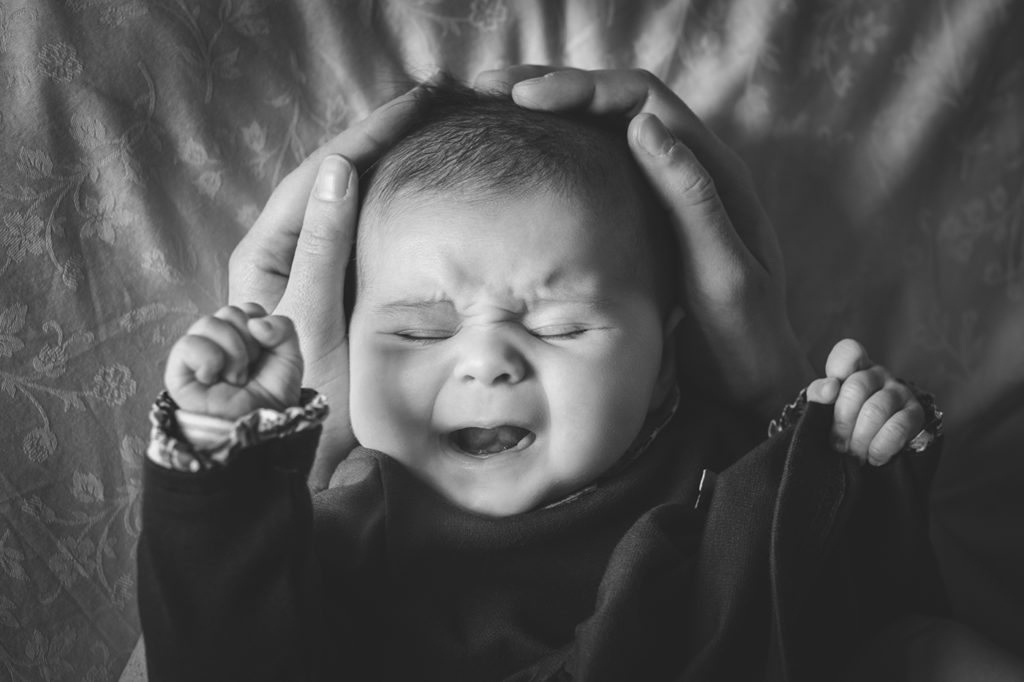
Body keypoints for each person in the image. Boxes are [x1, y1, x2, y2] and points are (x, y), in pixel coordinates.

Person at [138, 70, 951, 681]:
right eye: (419, 331)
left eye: (559, 327)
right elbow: (222, 645)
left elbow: (852, 610)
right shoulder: (348, 533)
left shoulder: (722, 466)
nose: (486, 361)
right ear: (346, 353)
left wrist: (854, 454)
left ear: (665, 364)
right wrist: (223, 467)